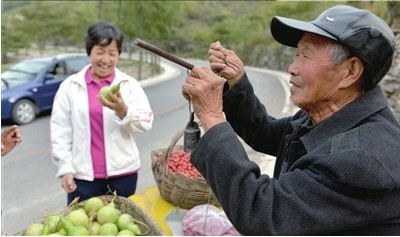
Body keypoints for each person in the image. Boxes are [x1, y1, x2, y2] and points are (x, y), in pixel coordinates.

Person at [182, 5, 400, 235]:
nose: (292, 68)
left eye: (306, 55)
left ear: (350, 72)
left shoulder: (363, 158)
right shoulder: (325, 118)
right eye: (297, 54)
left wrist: (211, 115)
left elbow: (264, 214)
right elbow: (264, 132)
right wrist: (237, 82)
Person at [50, 21, 154, 205]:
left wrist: (123, 111)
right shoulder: (70, 87)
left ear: (119, 55)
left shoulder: (128, 85)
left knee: (122, 228)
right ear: (89, 51)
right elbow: (60, 130)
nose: (106, 59)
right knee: (82, 229)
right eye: (100, 51)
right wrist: (65, 168)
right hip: (83, 179)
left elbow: (146, 122)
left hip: (124, 176)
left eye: (112, 53)